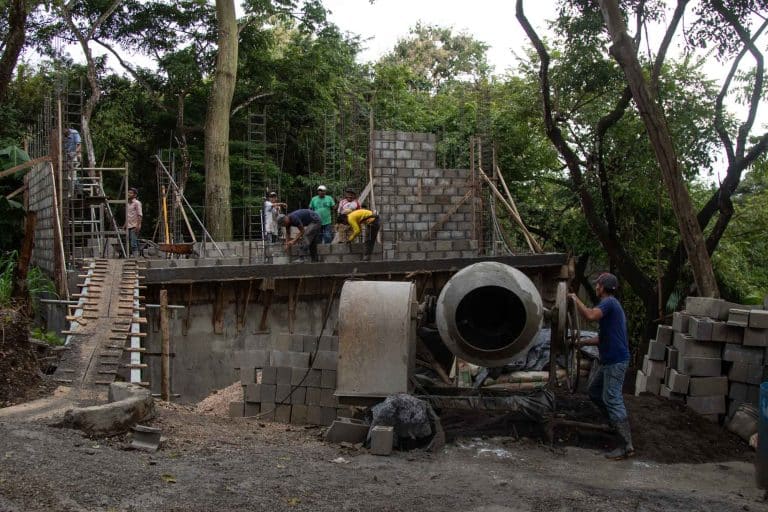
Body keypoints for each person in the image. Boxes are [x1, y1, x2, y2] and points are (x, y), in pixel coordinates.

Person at [568, 273, 633, 460]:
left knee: (612, 397)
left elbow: (589, 315)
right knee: (594, 392)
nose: (596, 287)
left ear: (603, 287)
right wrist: (580, 343)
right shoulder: (610, 307)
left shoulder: (609, 303)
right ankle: (614, 424)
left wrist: (574, 298)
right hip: (609, 361)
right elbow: (601, 339)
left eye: (598, 285)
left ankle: (625, 445)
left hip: (616, 361)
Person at [124, 187, 143, 257]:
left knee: (133, 243)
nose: (129, 194)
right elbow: (128, 216)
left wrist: (138, 225)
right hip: (128, 225)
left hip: (134, 225)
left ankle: (136, 257)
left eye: (131, 193)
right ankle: (136, 255)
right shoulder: (127, 204)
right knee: (131, 241)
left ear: (135, 195)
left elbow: (140, 215)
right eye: (128, 192)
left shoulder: (137, 203)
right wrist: (124, 225)